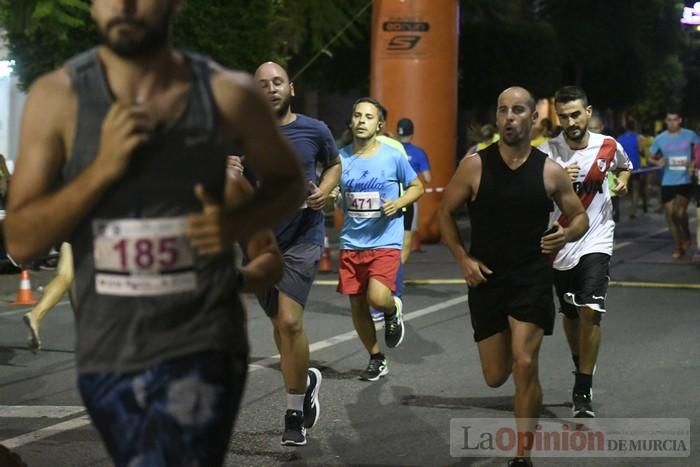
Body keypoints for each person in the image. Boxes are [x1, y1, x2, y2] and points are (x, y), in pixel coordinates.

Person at [3, 1, 305, 466]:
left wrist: (230, 249)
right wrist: (101, 171)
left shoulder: (228, 96)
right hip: (111, 351)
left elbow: (286, 192)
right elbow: (21, 243)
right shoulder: (58, 96)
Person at [439, 86, 588, 467]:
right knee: (495, 375)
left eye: (517, 110)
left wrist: (567, 233)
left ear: (533, 118)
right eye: (502, 110)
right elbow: (442, 214)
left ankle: (522, 457)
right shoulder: (475, 166)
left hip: (532, 277)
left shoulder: (549, 170)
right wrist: (463, 259)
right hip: (487, 278)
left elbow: (579, 216)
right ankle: (527, 394)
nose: (508, 117)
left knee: (524, 361)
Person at [252, 61, 341, 446]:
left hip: (303, 236)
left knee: (289, 322)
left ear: (291, 87)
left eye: (277, 82)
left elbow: (335, 164)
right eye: (262, 84)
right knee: (279, 325)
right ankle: (305, 382)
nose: (270, 88)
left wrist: (325, 189)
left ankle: (293, 414)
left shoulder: (314, 129)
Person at [538, 86, 632, 419]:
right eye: (563, 116)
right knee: (571, 314)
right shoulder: (548, 152)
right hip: (561, 241)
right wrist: (556, 181)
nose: (570, 121)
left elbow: (624, 167)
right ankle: (581, 363)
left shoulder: (608, 145)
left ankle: (583, 386)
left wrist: (622, 180)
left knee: (591, 310)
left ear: (588, 112)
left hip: (597, 238)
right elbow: (533, 196)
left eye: (576, 114)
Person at [337, 97, 424, 382]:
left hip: (385, 239)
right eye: (357, 115)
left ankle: (392, 308)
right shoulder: (340, 159)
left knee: (377, 297)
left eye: (368, 117)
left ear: (379, 125)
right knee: (357, 305)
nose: (361, 120)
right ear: (351, 121)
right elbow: (333, 202)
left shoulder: (392, 156)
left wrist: (399, 203)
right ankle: (376, 358)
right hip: (352, 242)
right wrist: (328, 200)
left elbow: (417, 187)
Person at [648, 111, 700, 259]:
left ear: (680, 120)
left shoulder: (690, 135)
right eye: (669, 120)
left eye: (675, 120)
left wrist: (694, 162)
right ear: (666, 121)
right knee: (670, 217)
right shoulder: (660, 138)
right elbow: (650, 157)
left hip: (685, 180)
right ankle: (679, 246)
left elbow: (698, 152)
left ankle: (686, 235)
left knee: (679, 213)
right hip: (667, 181)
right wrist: (657, 162)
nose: (672, 123)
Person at [396, 117, 431, 296]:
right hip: (409, 200)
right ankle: (396, 275)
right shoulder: (418, 153)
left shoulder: (392, 149)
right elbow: (427, 178)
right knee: (406, 242)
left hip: (391, 200)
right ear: (412, 132)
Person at [617, 118, 646, 218]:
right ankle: (632, 211)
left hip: (624, 167)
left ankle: (624, 209)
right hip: (636, 167)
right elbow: (641, 151)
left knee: (626, 188)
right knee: (636, 189)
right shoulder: (638, 137)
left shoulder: (620, 138)